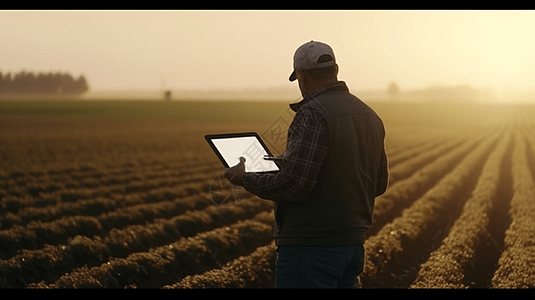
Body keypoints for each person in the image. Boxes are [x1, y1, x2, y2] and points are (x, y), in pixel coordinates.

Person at [224, 40, 388, 288]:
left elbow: (295, 185)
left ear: (301, 75)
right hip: (352, 246)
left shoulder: (312, 113)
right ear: (336, 70)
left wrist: (244, 178)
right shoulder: (369, 115)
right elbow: (378, 183)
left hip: (311, 247)